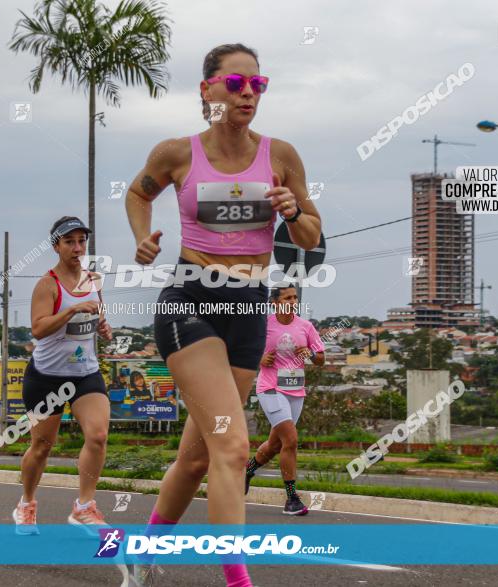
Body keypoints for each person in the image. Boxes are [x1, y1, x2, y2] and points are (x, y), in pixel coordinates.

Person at [125, 43, 322, 587]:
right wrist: (144, 238)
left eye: (257, 85)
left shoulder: (280, 155)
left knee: (195, 458)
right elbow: (137, 194)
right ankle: (238, 580)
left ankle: (139, 551)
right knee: (233, 448)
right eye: (235, 84)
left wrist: (293, 211)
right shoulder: (177, 153)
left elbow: (310, 234)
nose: (248, 94)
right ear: (207, 90)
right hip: (191, 304)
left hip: (249, 311)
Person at [12, 216, 114, 534]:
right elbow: (38, 329)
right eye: (69, 241)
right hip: (46, 376)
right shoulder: (47, 284)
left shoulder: (94, 279)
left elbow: (98, 313)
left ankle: (84, 506)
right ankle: (26, 503)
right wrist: (70, 310)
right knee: (42, 446)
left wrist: (103, 326)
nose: (77, 247)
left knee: (97, 435)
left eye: (81, 240)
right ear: (55, 246)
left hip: (85, 373)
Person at [245, 285, 324, 514]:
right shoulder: (263, 324)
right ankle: (291, 500)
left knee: (275, 445)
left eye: (295, 297)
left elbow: (320, 358)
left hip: (295, 390)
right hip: (270, 388)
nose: (293, 300)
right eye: (287, 297)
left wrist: (308, 353)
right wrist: (260, 358)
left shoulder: (305, 326)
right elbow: (244, 350)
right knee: (290, 440)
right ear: (275, 302)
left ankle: (247, 471)